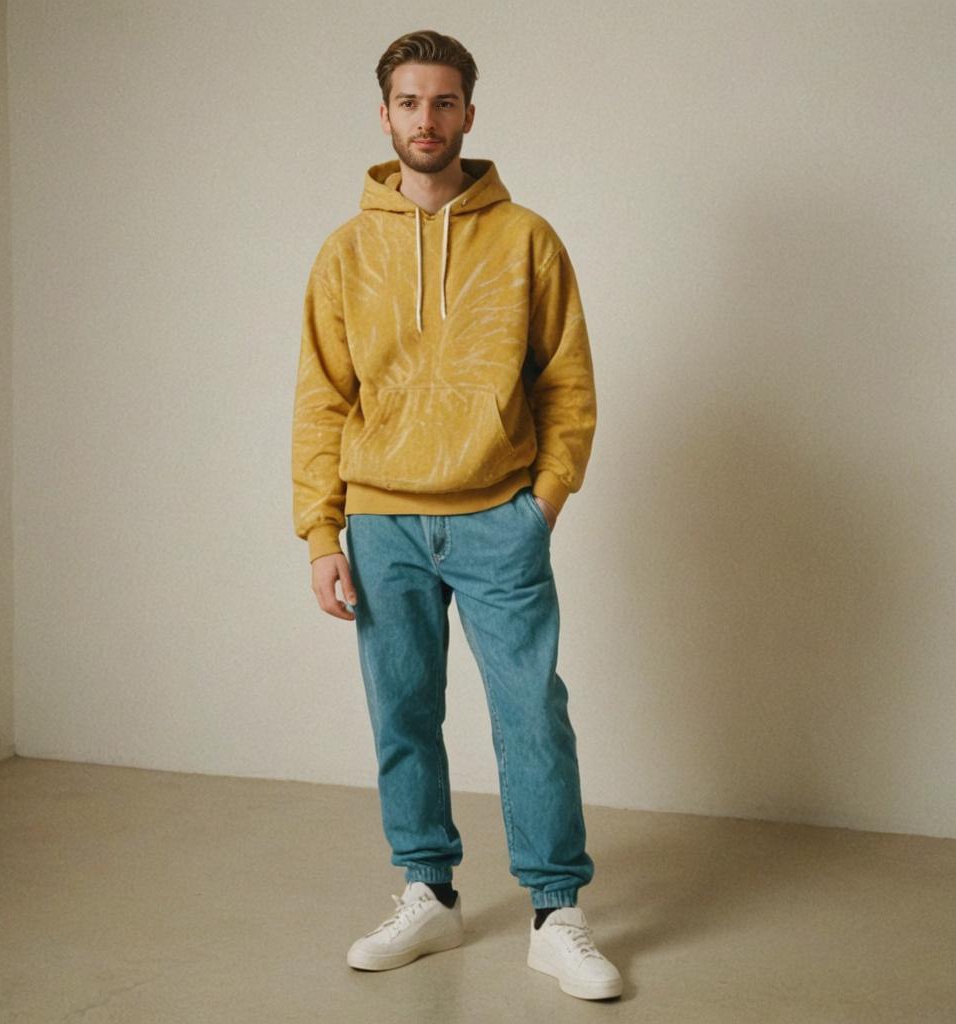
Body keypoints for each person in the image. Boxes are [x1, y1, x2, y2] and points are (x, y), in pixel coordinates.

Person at [291, 28, 622, 1001]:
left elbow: (568, 385)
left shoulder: (527, 239)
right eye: (408, 102)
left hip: (496, 518)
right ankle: (426, 891)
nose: (425, 119)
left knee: (530, 715)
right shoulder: (346, 252)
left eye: (443, 102)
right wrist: (321, 532)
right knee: (402, 713)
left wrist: (541, 505)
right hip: (379, 523)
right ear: (384, 114)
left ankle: (556, 913)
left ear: (469, 113)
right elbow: (321, 398)